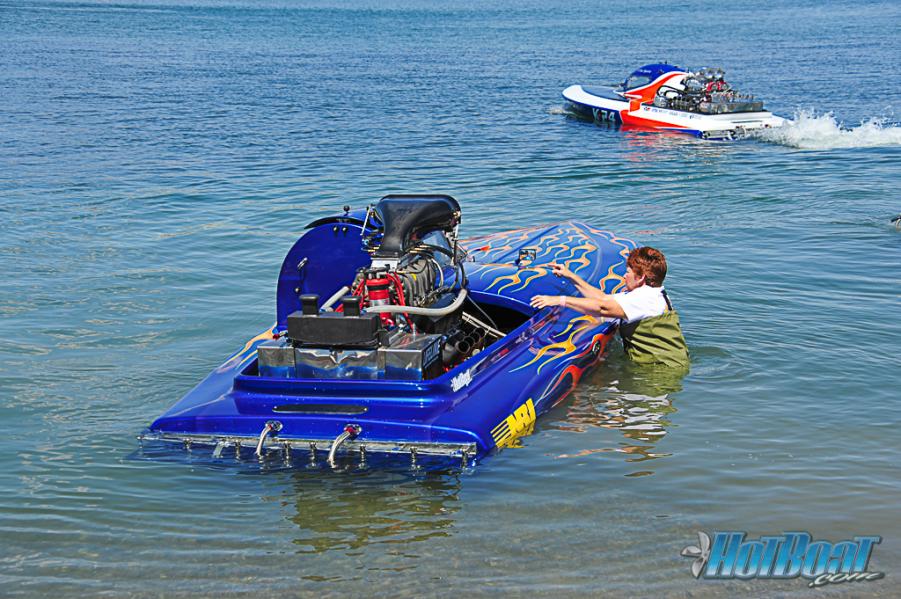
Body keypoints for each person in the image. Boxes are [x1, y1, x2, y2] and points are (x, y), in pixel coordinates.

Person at [530, 246, 689, 368]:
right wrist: (570, 276)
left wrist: (560, 300)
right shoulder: (652, 294)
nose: (624, 276)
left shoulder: (644, 300)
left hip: (661, 370)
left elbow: (602, 308)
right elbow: (603, 298)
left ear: (641, 277)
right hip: (667, 364)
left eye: (628, 272)